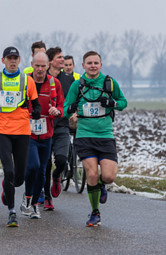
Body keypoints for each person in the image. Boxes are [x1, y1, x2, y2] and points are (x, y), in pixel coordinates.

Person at [64, 50, 127, 227]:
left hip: (105, 135)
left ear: (100, 65)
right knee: (91, 174)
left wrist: (112, 103)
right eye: (89, 63)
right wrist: (72, 109)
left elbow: (123, 102)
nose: (93, 66)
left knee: (108, 176)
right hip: (84, 135)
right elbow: (64, 108)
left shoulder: (110, 83)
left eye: (96, 63)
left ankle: (101, 185)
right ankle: (95, 212)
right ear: (83, 66)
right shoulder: (77, 85)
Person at [0, 46, 40, 227]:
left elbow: (36, 105)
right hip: (2, 131)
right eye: (9, 58)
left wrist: (36, 111)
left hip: (22, 131)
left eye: (15, 58)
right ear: (3, 60)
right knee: (10, 170)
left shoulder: (27, 81)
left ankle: (9, 185)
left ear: (19, 60)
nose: (12, 61)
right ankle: (12, 213)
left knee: (19, 178)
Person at [20, 52, 63, 219]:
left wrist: (56, 111)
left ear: (48, 66)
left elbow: (61, 105)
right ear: (31, 64)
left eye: (42, 66)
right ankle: (28, 196)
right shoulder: (24, 82)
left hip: (47, 133)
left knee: (42, 171)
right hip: (27, 132)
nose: (39, 69)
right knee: (33, 166)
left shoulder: (54, 83)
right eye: (36, 66)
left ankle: (35, 204)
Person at [44, 46, 75, 211]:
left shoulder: (69, 80)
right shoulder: (42, 78)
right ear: (50, 61)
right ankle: (47, 198)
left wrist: (73, 112)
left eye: (63, 57)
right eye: (59, 58)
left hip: (62, 125)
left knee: (62, 160)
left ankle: (56, 177)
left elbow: (73, 100)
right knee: (45, 164)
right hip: (43, 127)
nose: (63, 60)